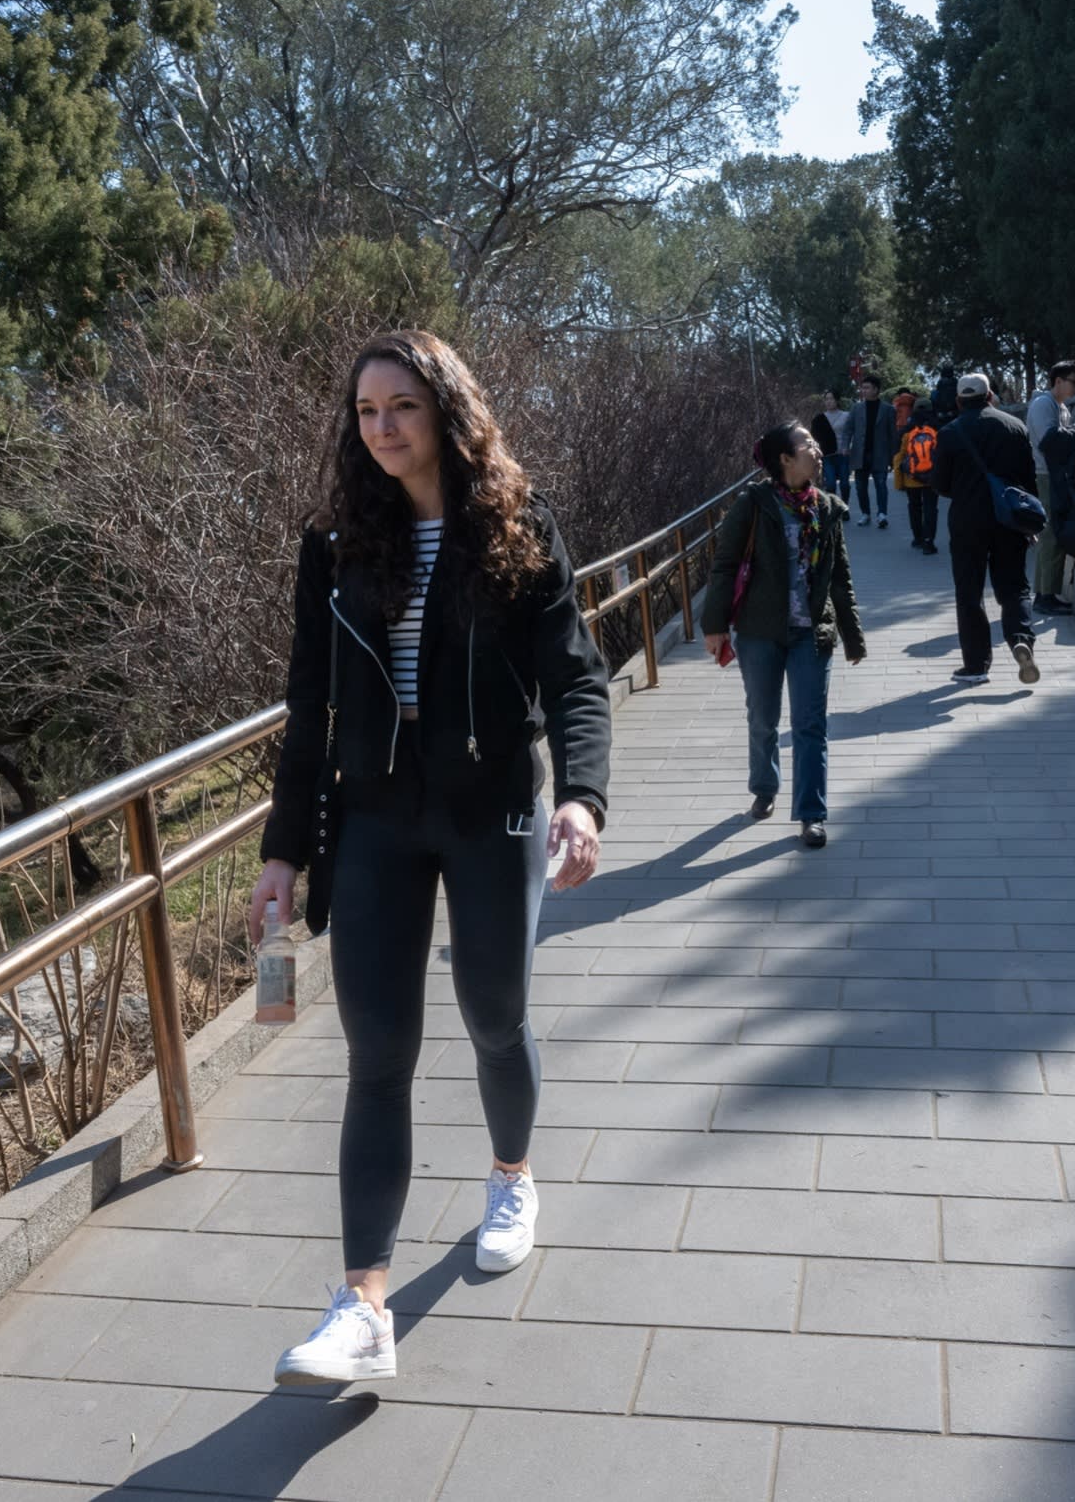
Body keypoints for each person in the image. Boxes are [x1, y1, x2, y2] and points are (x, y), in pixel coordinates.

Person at [249, 329, 613, 1386]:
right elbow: (307, 708)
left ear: (447, 408)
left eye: (400, 405)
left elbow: (576, 677)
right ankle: (363, 1304)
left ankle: (511, 1174)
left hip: (491, 807)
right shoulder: (334, 548)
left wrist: (581, 799)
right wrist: (282, 849)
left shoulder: (512, 525)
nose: (381, 427)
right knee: (379, 1055)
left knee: (494, 1013)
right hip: (372, 822)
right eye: (365, 411)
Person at [701, 422, 865, 848]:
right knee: (763, 717)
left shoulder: (827, 507)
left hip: (812, 632)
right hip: (760, 631)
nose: (817, 449)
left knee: (811, 724)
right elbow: (723, 565)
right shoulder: (752, 504)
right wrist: (714, 625)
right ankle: (765, 786)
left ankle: (811, 813)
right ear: (784, 459)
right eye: (807, 444)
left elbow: (840, 577)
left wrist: (853, 636)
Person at [933, 371, 1042, 686]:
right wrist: (1028, 521)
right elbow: (1028, 480)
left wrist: (965, 490)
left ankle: (977, 666)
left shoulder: (950, 433)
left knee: (969, 592)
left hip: (967, 522)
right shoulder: (1015, 427)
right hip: (1009, 520)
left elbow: (939, 484)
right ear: (990, 396)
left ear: (958, 401)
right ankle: (1021, 638)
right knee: (1015, 587)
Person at [1025, 360, 1075, 616]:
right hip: (1046, 476)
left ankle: (1047, 594)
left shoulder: (1061, 408)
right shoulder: (1042, 405)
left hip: (1058, 477)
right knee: (1050, 535)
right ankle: (1044, 597)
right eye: (1074, 381)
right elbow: (1049, 442)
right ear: (1058, 381)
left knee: (1056, 534)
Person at [838, 375, 897, 530]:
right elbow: (848, 429)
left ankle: (882, 514)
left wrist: (893, 457)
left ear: (876, 390)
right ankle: (866, 513)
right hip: (860, 453)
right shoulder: (857, 408)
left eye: (867, 388)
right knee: (860, 486)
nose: (863, 391)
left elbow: (893, 435)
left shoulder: (888, 409)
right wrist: (845, 446)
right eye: (862, 388)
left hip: (880, 454)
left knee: (881, 484)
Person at [894, 402, 942, 554]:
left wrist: (898, 482)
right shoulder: (937, 432)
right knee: (931, 509)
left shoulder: (907, 434)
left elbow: (899, 458)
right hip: (932, 478)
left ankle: (917, 538)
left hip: (912, 478)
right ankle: (929, 541)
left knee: (914, 507)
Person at [815, 388, 851, 499]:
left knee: (845, 484)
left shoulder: (846, 416)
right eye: (826, 399)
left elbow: (851, 433)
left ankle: (844, 507)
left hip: (843, 454)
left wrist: (849, 447)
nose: (829, 401)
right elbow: (815, 436)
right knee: (830, 484)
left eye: (831, 398)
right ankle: (834, 508)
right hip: (827, 456)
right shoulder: (820, 418)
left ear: (837, 400)